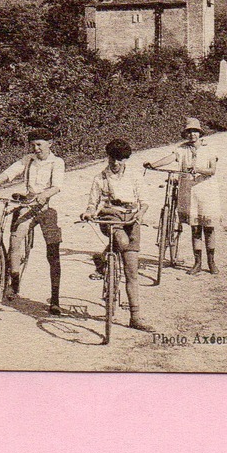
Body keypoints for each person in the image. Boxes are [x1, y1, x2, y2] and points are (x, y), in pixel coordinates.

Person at [0, 129, 66, 314]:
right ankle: (15, 281)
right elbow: (9, 173)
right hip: (28, 205)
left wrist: (43, 196)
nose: (36, 149)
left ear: (50, 143)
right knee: (14, 240)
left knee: (53, 252)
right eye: (33, 145)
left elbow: (57, 186)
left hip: (45, 208)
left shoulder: (57, 162)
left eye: (39, 144)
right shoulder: (27, 160)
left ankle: (55, 299)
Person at [81, 138, 154, 333]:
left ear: (125, 160)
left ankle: (135, 316)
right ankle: (105, 259)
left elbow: (144, 201)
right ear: (108, 157)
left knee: (131, 270)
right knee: (121, 241)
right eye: (112, 159)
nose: (115, 163)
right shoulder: (100, 178)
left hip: (131, 218)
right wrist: (89, 212)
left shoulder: (135, 176)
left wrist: (140, 213)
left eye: (120, 160)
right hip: (110, 217)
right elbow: (92, 203)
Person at [145, 117, 223, 274]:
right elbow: (170, 158)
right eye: (189, 132)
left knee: (208, 228)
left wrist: (198, 169)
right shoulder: (182, 149)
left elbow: (212, 170)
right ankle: (197, 263)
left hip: (206, 192)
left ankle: (211, 262)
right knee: (195, 228)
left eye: (195, 131)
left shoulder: (209, 148)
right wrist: (153, 164)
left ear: (200, 133)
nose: (192, 135)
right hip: (189, 192)